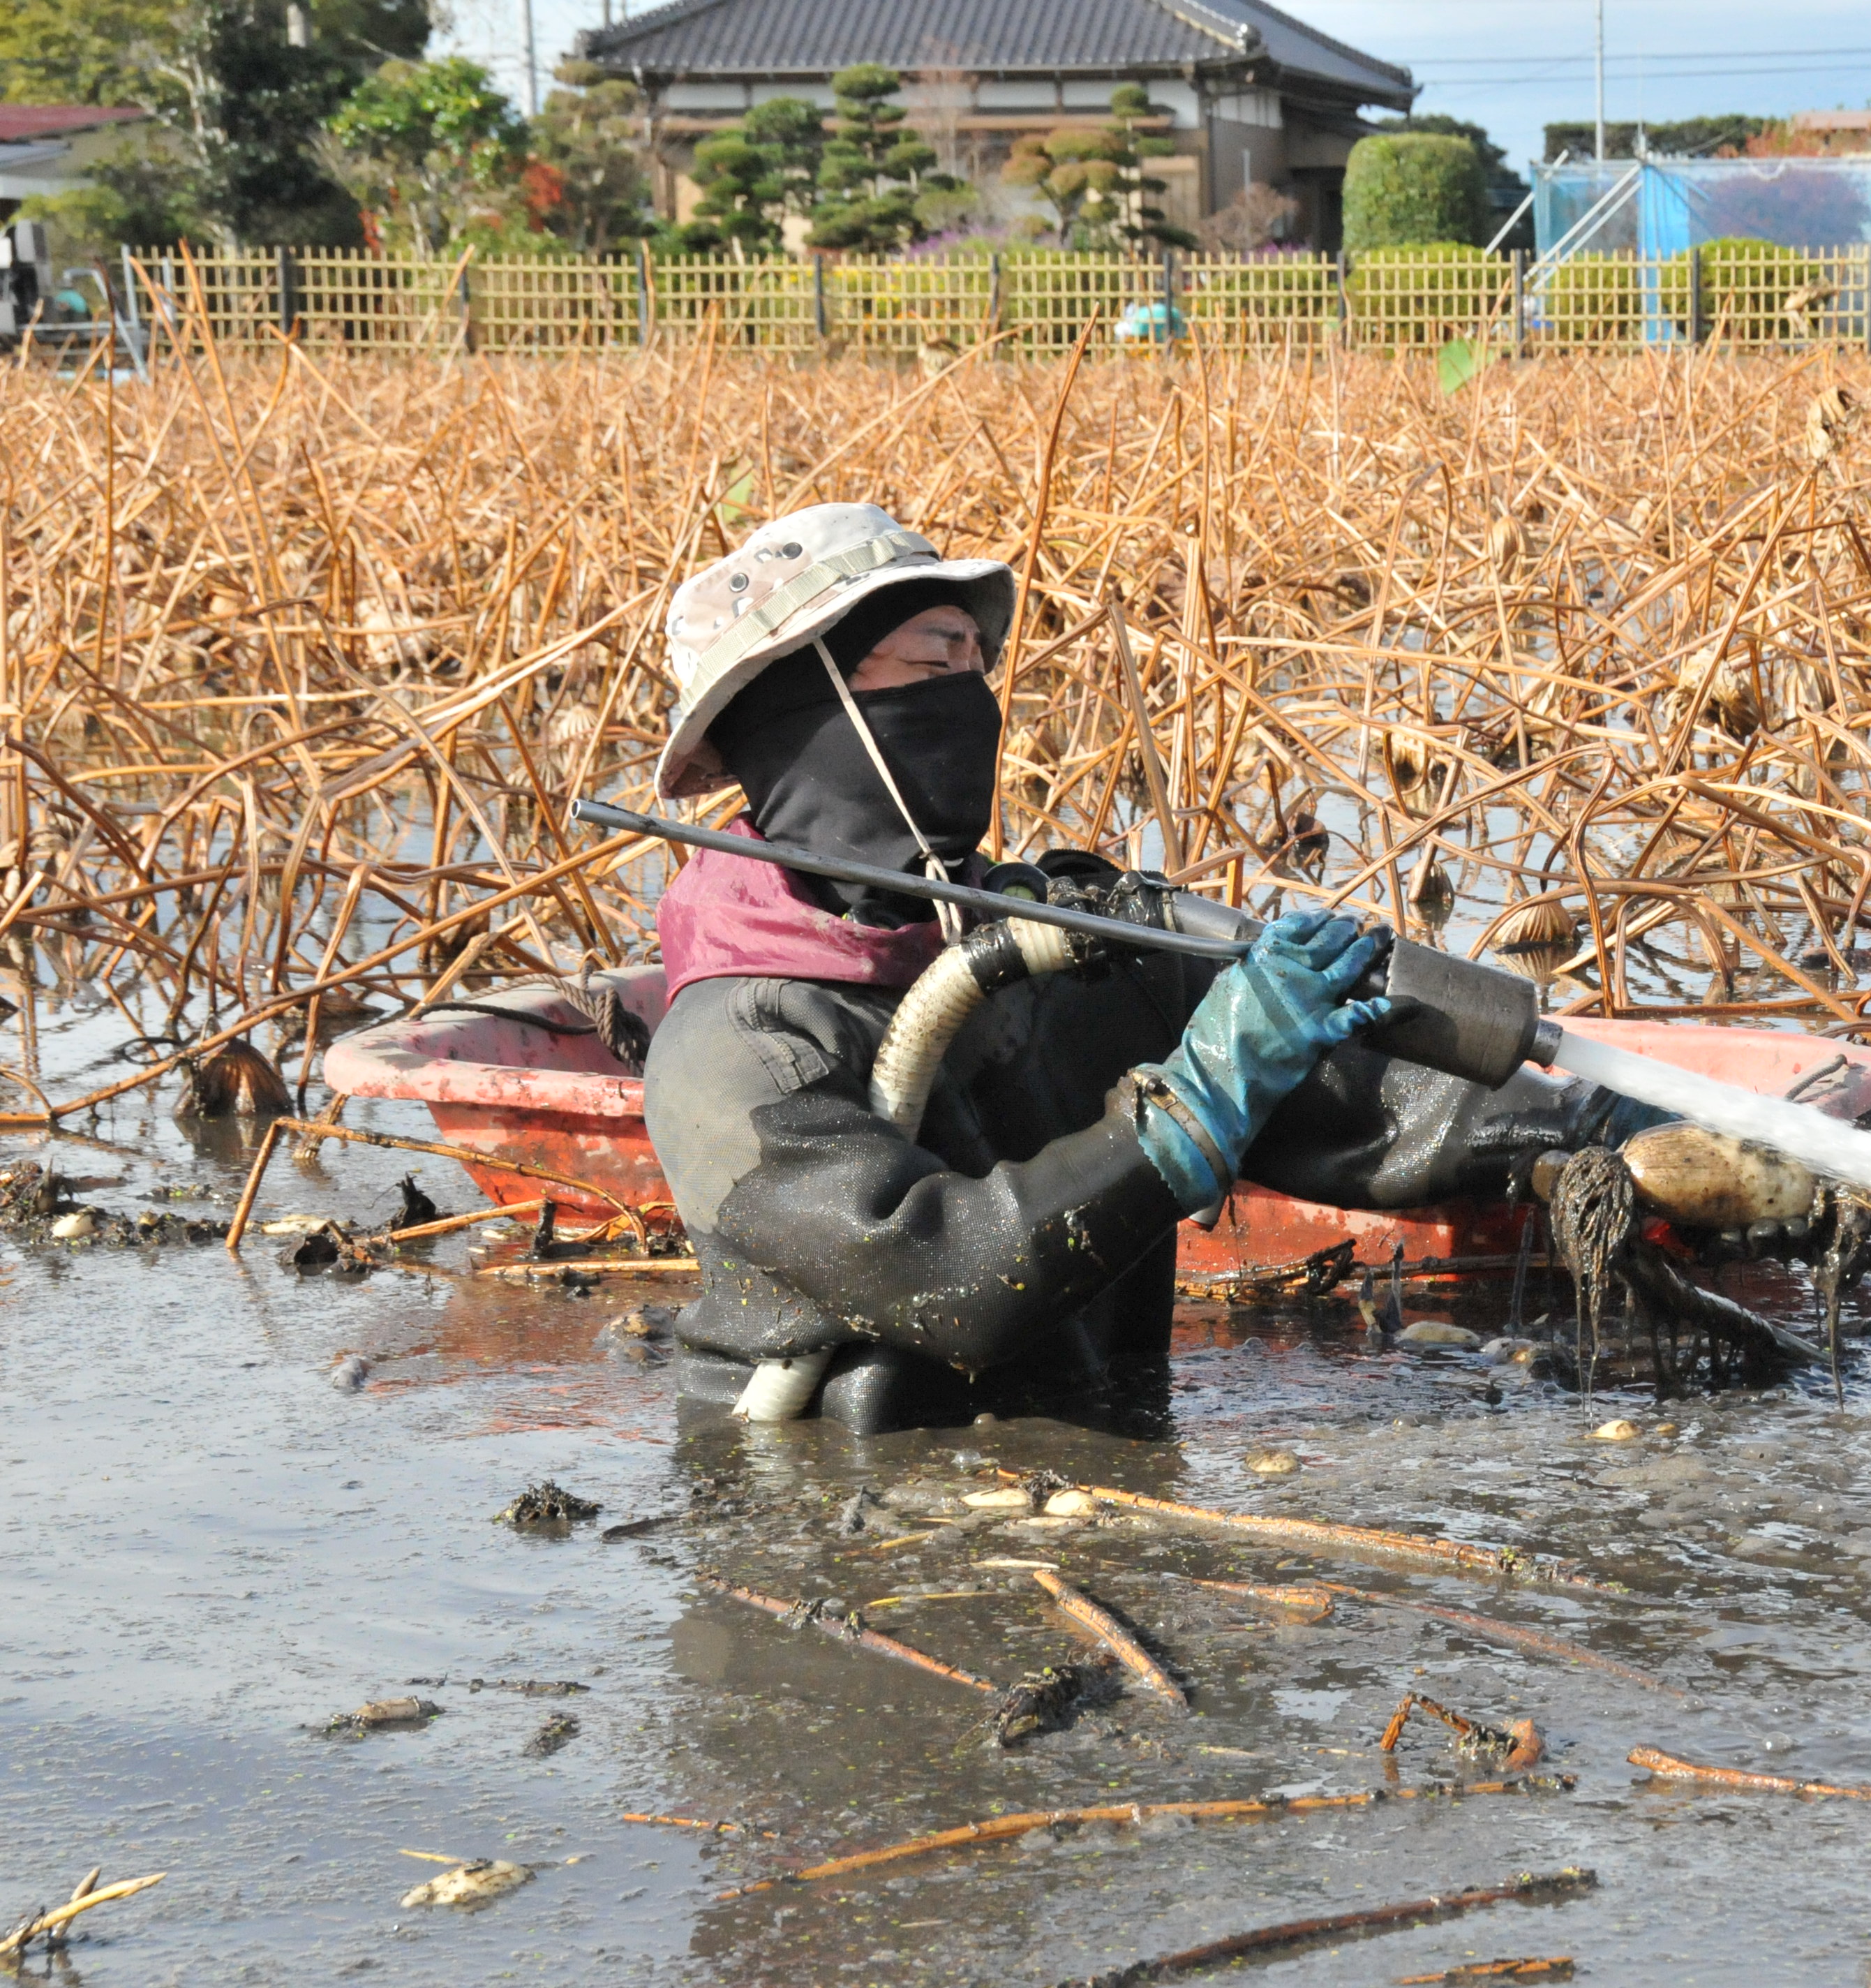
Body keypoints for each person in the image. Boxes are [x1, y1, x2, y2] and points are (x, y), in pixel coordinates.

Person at [641, 503, 1654, 1434]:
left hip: (1083, 1471)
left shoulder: (1042, 948)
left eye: (978, 663)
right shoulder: (738, 1047)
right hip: (832, 1539)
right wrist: (1193, 1111)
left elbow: (1346, 1099)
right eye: (935, 662)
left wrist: (1601, 1132)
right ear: (808, 709)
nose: (974, 702)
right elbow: (947, 1274)